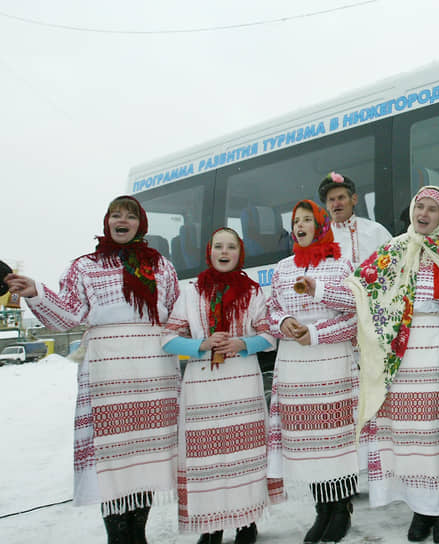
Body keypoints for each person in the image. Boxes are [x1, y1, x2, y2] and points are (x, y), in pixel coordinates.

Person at [4, 196, 180, 543]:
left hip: (154, 371)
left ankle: (137, 535)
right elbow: (68, 315)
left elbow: (176, 315)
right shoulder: (84, 267)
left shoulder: (161, 265)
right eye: (116, 214)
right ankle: (118, 537)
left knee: (142, 458)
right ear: (107, 221)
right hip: (106, 373)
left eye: (130, 216)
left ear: (141, 224)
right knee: (111, 460)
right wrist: (35, 292)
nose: (122, 220)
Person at [346, 186, 439, 543]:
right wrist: (320, 292)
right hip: (398, 353)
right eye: (420, 206)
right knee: (407, 436)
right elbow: (360, 288)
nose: (424, 213)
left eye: (433, 209)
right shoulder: (391, 251)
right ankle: (421, 508)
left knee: (434, 433)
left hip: (436, 347)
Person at [161, 228, 280, 544]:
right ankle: (210, 525)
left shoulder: (254, 292)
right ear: (209, 251)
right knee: (207, 459)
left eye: (231, 247)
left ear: (240, 253)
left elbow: (269, 337)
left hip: (242, 385)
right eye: (218, 246)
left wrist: (242, 343)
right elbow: (168, 340)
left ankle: (246, 522)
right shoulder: (191, 292)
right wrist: (201, 344)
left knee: (244, 455)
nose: (224, 252)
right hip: (202, 387)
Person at [266, 200, 359, 544]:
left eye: (307, 220)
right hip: (295, 366)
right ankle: (322, 508)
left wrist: (316, 333)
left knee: (334, 438)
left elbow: (354, 311)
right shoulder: (282, 268)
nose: (300, 226)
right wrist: (285, 322)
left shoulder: (340, 265)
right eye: (295, 221)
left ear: (321, 226)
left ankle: (341, 508)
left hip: (330, 361)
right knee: (308, 440)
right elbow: (271, 311)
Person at [318, 171, 393, 266]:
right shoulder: (319, 239)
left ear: (354, 199)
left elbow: (394, 265)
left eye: (341, 198)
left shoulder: (376, 231)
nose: (336, 204)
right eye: (331, 200)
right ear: (327, 206)